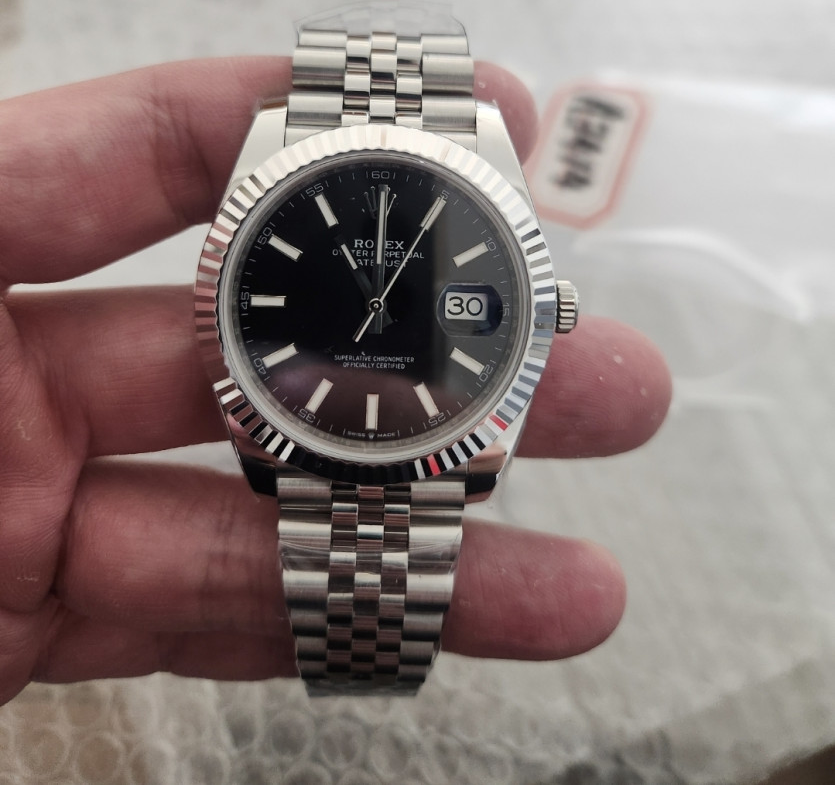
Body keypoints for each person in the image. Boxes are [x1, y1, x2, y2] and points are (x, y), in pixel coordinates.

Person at [0, 55, 671, 705]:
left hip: (341, 408)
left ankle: (360, 657)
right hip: (305, 411)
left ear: (549, 306)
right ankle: (360, 659)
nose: (378, 309)